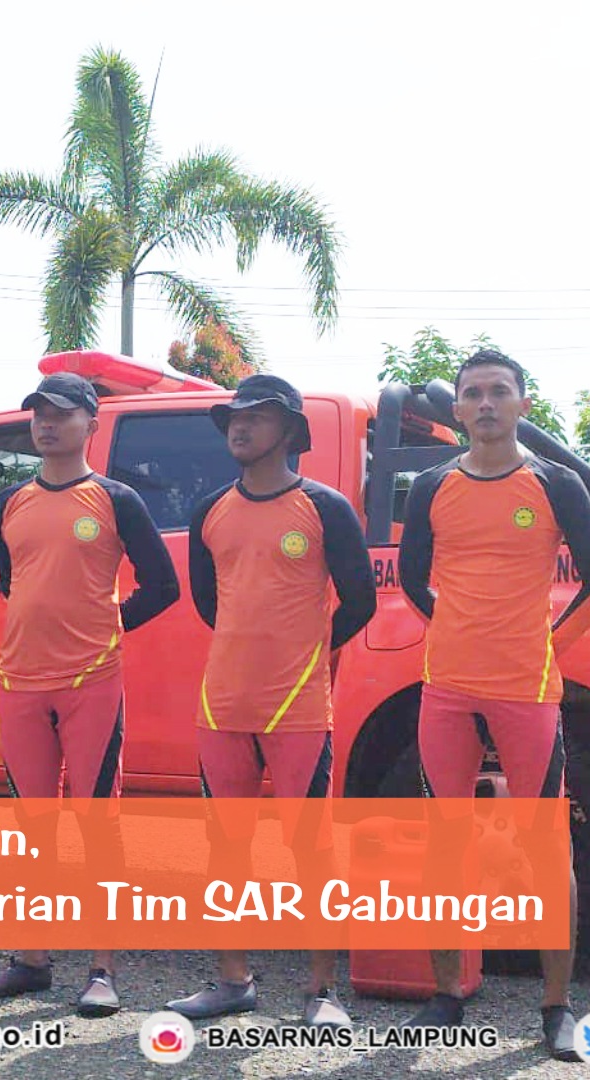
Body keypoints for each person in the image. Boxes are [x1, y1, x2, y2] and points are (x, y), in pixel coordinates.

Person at [396, 349, 590, 1061]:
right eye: (473, 393)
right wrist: (455, 631)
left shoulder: (555, 483)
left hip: (527, 690)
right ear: (457, 410)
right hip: (446, 689)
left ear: (523, 403)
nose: (486, 403)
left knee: (546, 848)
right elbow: (411, 578)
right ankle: (445, 995)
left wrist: (549, 644)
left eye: (499, 391)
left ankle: (556, 1006)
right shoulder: (431, 487)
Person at [0, 372, 179, 1016]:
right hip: (21, 681)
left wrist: (110, 627)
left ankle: (102, 968)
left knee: (97, 828)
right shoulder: (10, 501)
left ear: (92, 422)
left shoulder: (116, 499)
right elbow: (14, 582)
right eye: (39, 413)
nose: (47, 424)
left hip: (92, 682)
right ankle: (30, 959)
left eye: (61, 413)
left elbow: (162, 585)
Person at [168, 374, 374, 1027]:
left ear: (287, 430)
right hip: (222, 705)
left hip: (297, 710)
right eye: (233, 416)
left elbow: (360, 601)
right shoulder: (210, 510)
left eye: (255, 416)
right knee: (224, 850)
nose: (239, 425)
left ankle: (320, 992)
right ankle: (233, 981)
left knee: (310, 852)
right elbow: (209, 603)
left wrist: (307, 652)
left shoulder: (324, 508)